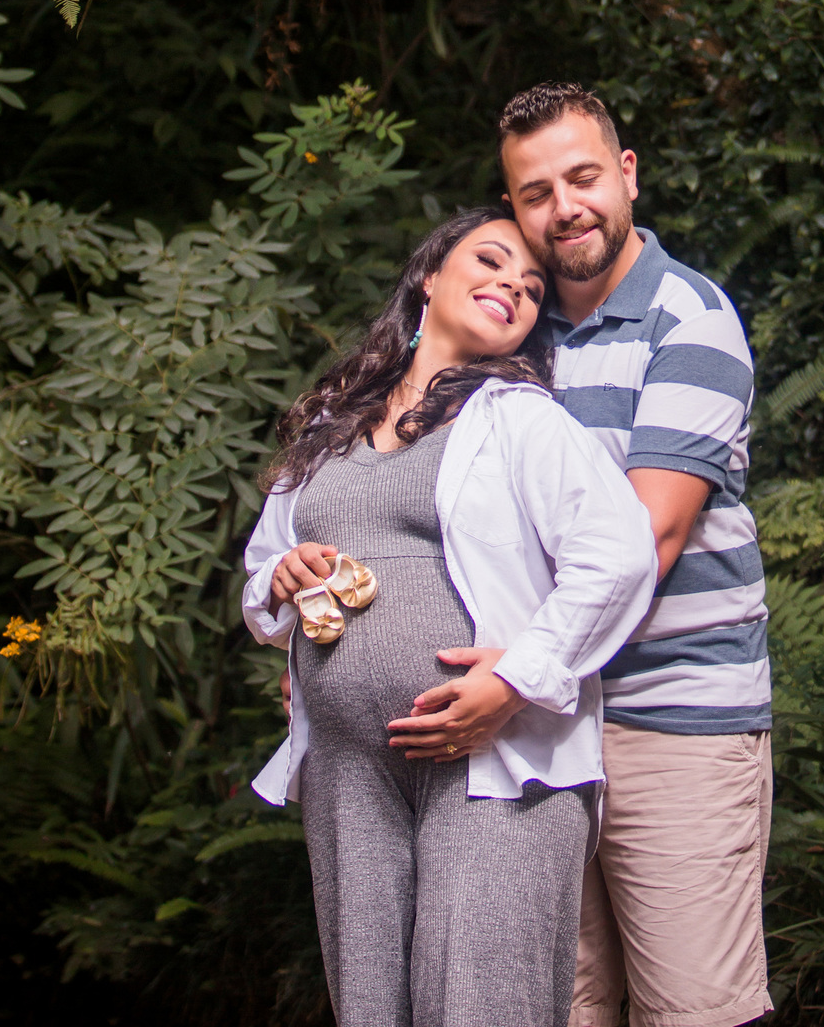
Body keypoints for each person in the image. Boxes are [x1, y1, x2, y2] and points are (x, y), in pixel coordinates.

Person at [242, 206, 658, 1027]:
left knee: (478, 1005)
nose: (514, 286)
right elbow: (264, 573)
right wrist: (282, 580)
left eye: (532, 286)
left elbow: (619, 556)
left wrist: (515, 679)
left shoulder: (520, 416)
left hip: (491, 761)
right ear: (429, 277)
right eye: (491, 261)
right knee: (369, 1010)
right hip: (350, 771)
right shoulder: (331, 423)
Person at [497, 83, 773, 1027]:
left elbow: (646, 540)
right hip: (542, 728)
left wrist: (513, 671)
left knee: (695, 1010)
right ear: (513, 209)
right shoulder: (509, 334)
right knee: (561, 1008)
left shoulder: (690, 319)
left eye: (582, 179)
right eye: (536, 193)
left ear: (627, 175)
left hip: (673, 721)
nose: (564, 208)